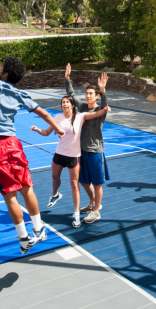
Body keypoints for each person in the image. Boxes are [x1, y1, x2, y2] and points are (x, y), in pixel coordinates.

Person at [0, 5, 65, 255]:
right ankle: (39, 229)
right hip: (14, 144)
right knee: (28, 189)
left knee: (10, 196)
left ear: (4, 73)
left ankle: (24, 237)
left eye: (1, 66)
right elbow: (44, 113)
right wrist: (57, 128)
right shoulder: (19, 94)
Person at [30, 96, 110, 228]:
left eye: (67, 102)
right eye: (63, 102)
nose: (65, 104)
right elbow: (46, 132)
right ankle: (55, 194)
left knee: (74, 184)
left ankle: (77, 214)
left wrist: (105, 106)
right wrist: (38, 129)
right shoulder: (58, 117)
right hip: (60, 153)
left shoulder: (80, 116)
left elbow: (98, 113)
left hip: (74, 155)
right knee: (54, 176)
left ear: (72, 105)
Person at [64, 63, 109, 224]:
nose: (88, 95)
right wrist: (68, 79)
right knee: (83, 181)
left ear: (96, 96)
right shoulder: (82, 107)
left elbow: (105, 105)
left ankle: (97, 211)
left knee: (97, 183)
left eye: (91, 93)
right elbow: (71, 95)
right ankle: (92, 203)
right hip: (81, 151)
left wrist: (103, 91)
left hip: (95, 151)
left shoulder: (100, 111)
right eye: (87, 93)